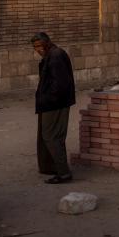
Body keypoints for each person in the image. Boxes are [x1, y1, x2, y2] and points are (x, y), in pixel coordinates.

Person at [30, 32, 75, 184]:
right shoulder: (52, 54)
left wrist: (49, 100)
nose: (37, 49)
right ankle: (53, 168)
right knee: (49, 136)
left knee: (51, 136)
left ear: (47, 43)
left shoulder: (55, 56)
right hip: (51, 103)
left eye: (39, 46)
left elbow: (60, 84)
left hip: (54, 104)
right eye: (35, 47)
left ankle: (63, 173)